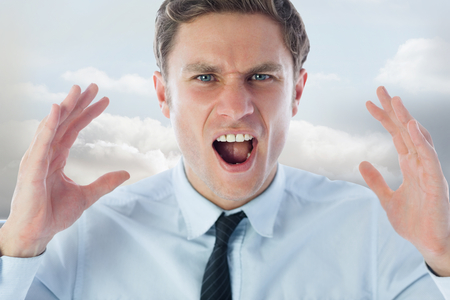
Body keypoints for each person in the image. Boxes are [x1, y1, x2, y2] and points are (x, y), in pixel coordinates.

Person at [1, 0, 449, 299]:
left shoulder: (377, 234)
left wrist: (445, 256)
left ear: (297, 92)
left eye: (261, 76)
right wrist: (18, 245)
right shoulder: (75, 239)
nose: (236, 108)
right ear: (162, 95)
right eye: (204, 78)